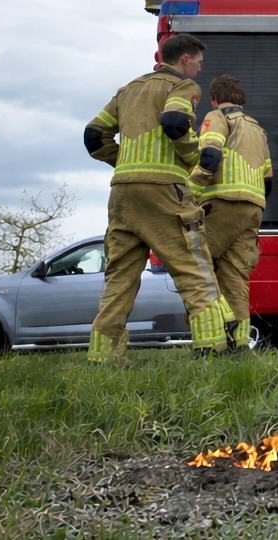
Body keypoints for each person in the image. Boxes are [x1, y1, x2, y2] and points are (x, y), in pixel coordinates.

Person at [84, 33, 236, 362]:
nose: (200, 66)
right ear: (185, 59)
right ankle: (213, 349)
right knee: (193, 268)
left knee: (119, 277)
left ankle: (104, 357)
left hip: (122, 193)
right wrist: (192, 157)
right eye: (198, 60)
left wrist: (124, 161)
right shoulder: (182, 86)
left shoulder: (128, 90)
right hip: (164, 191)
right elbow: (175, 121)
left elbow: (93, 135)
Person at [189, 74, 273, 351]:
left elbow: (210, 156)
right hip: (253, 208)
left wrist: (190, 189)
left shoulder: (216, 117)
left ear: (214, 98)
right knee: (236, 278)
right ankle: (238, 345)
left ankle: (215, 335)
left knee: (196, 267)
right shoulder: (257, 129)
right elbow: (269, 179)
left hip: (222, 203)